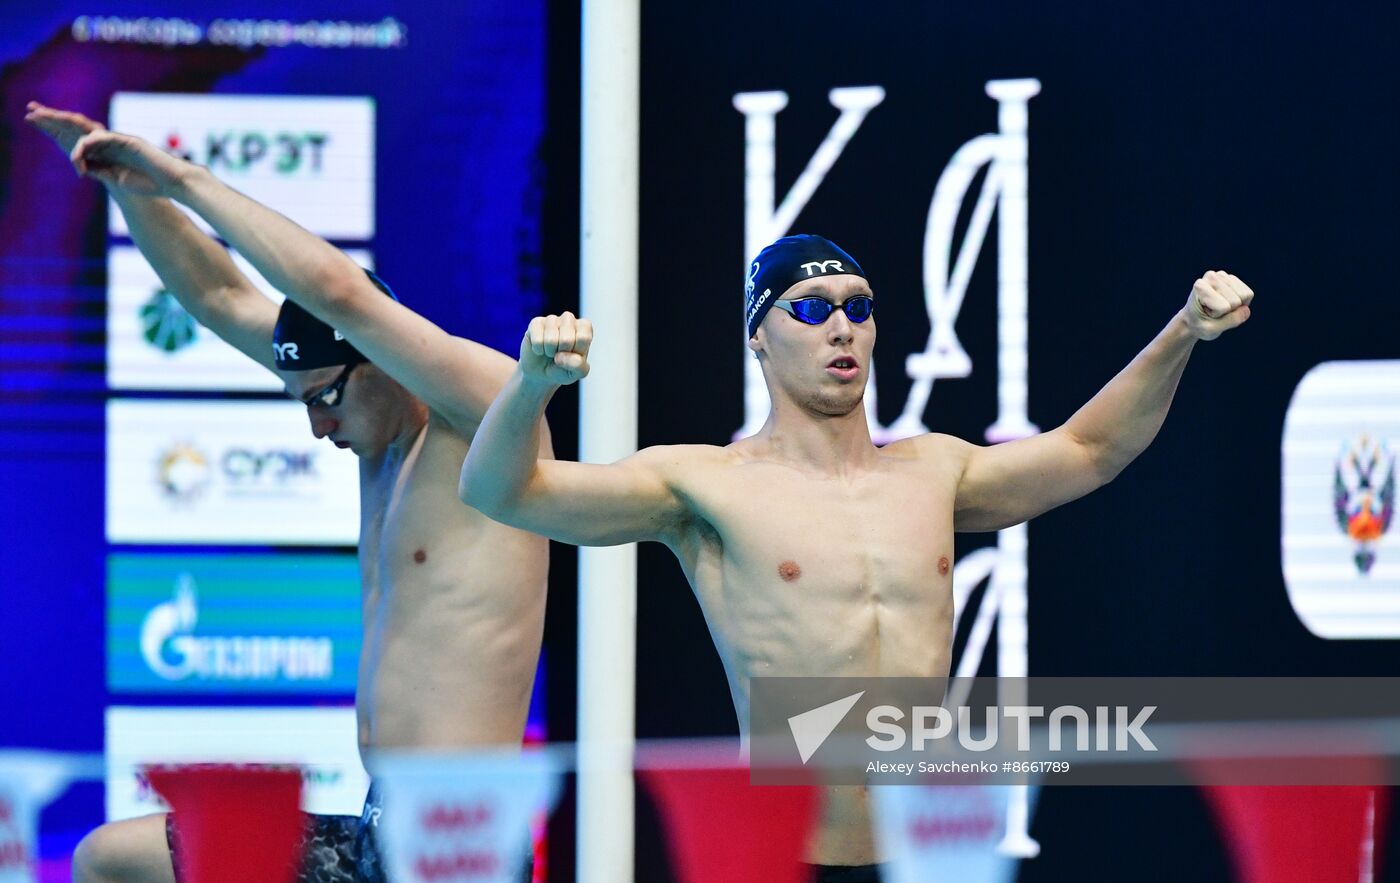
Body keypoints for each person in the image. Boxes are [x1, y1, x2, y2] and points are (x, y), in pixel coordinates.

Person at [459, 233, 1254, 879]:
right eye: (810, 307)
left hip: (927, 857)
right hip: (786, 858)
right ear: (759, 337)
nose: (842, 327)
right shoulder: (704, 484)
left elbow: (1090, 448)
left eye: (859, 308)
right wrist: (530, 384)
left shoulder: (934, 471)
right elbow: (503, 493)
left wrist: (1182, 330)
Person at [28, 103, 550, 883]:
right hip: (377, 827)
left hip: (458, 847)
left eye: (324, 398)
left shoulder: (484, 414)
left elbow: (338, 290)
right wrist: (131, 188)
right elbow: (219, 299)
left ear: (375, 358)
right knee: (109, 858)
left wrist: (184, 177)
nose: (316, 427)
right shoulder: (379, 447)